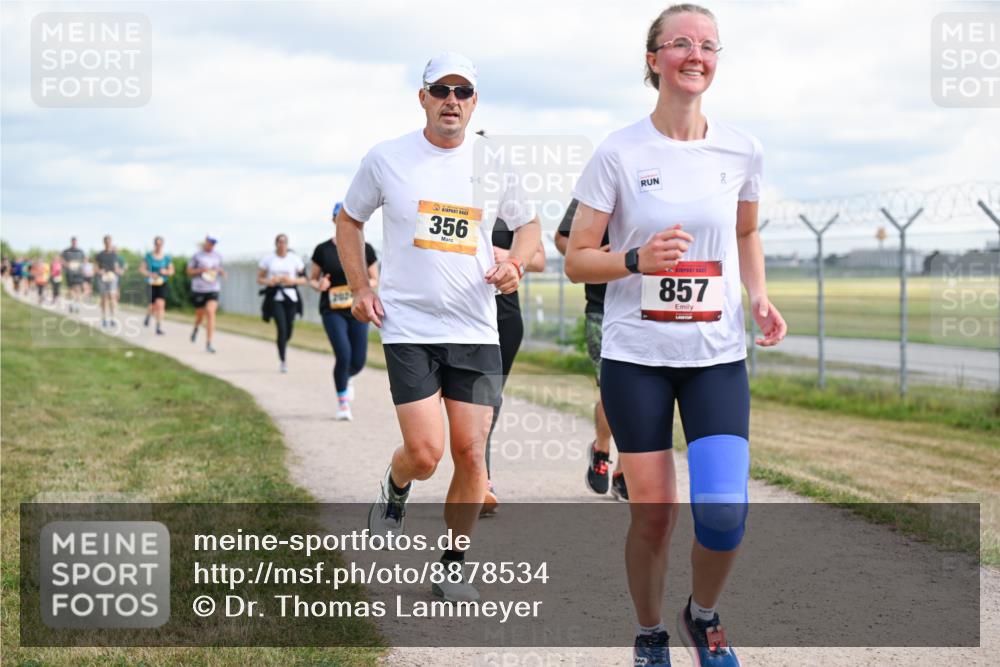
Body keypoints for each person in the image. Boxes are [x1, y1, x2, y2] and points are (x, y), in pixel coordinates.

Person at [564, 6, 787, 667]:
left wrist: (759, 293)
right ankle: (650, 634)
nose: (696, 54)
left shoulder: (743, 149)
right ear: (653, 58)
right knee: (655, 514)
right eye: (681, 43)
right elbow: (578, 255)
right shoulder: (619, 151)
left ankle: (704, 615)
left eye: (709, 45)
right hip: (636, 356)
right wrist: (635, 260)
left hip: (716, 355)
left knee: (724, 514)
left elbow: (746, 232)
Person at [337, 51, 540, 602]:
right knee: (426, 454)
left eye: (463, 92)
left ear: (474, 103)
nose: (452, 100)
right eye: (441, 90)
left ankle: (452, 566)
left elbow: (530, 229)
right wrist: (360, 288)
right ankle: (396, 483)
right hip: (409, 327)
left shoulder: (492, 162)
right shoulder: (387, 158)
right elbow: (349, 221)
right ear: (423, 97)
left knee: (472, 453)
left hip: (476, 329)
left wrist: (515, 263)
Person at [556, 198, 628, 501]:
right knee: (615, 393)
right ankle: (601, 448)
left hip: (647, 305)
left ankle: (624, 472)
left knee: (642, 394)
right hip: (602, 307)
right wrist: (591, 254)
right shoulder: (600, 186)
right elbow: (562, 238)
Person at [310, 202, 379, 419]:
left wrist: (366, 286)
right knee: (343, 353)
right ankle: (342, 404)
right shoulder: (323, 250)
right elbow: (312, 278)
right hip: (332, 310)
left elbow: (375, 278)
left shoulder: (366, 249)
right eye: (338, 218)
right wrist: (318, 284)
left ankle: (347, 377)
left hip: (358, 308)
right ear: (334, 221)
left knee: (358, 360)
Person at [258, 233, 306, 373]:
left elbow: (304, 279)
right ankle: (283, 360)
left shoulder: (294, 259)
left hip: (290, 296)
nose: (282, 244)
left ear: (287, 244)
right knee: (282, 328)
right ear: (276, 244)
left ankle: (282, 343)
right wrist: (270, 281)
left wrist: (292, 281)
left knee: (289, 329)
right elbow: (259, 279)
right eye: (279, 242)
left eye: (284, 242)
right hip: (275, 297)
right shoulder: (268, 259)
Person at [188, 236, 225, 353]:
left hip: (213, 288)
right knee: (199, 315)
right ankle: (196, 328)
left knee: (210, 312)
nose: (212, 245)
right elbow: (189, 271)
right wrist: (201, 270)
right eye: (210, 243)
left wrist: (221, 272)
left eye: (214, 244)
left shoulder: (218, 256)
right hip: (199, 289)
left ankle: (209, 343)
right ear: (206, 243)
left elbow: (220, 270)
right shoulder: (197, 256)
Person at [140, 236, 175, 335]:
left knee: (160, 304)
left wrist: (166, 271)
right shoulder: (148, 256)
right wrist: (150, 274)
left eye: (160, 244)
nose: (158, 246)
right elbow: (142, 269)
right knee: (152, 305)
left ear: (162, 245)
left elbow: (172, 271)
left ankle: (158, 327)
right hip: (151, 282)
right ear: (154, 244)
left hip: (162, 282)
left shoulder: (167, 257)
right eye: (157, 244)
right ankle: (148, 315)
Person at [94, 236, 125, 327]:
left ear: (111, 242)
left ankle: (113, 318)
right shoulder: (100, 255)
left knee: (112, 296)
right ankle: (104, 318)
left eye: (109, 242)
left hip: (112, 277)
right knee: (104, 298)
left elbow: (116, 267)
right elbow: (95, 267)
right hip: (102, 278)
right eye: (106, 242)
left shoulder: (114, 255)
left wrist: (119, 271)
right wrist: (99, 271)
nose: (108, 243)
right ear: (104, 243)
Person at [61, 237, 87, 313]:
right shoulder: (66, 251)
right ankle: (72, 304)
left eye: (75, 242)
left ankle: (77, 306)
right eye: (73, 242)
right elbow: (62, 260)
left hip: (78, 273)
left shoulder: (80, 251)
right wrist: (67, 264)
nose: (74, 243)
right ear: (71, 242)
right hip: (70, 273)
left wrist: (81, 265)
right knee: (71, 290)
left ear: (76, 242)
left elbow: (85, 260)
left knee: (78, 289)